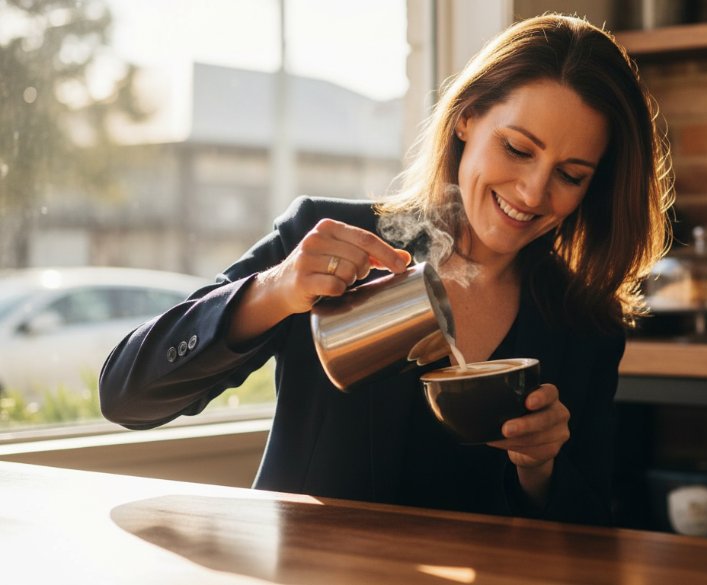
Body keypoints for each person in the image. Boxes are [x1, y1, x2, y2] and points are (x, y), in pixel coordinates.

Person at [99, 13, 673, 526]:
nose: (532, 190)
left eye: (570, 174)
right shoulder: (324, 238)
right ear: (467, 118)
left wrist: (539, 471)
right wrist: (274, 289)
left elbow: (593, 525)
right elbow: (127, 396)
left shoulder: (584, 322)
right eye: (518, 149)